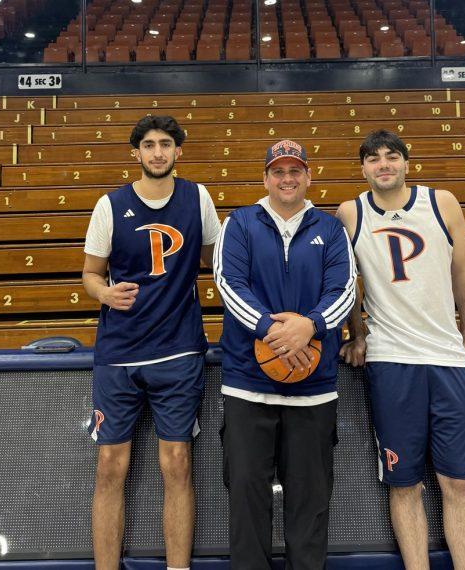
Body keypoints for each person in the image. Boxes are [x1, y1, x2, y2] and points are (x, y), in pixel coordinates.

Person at [337, 129, 465, 570]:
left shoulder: (441, 203)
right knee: (404, 484)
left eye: (391, 156)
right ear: (362, 168)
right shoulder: (350, 213)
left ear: (406, 162)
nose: (383, 165)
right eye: (374, 159)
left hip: (445, 358)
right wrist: (357, 335)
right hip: (390, 359)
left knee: (457, 482)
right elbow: (347, 285)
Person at [82, 115, 221, 570]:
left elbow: (216, 261)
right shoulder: (110, 205)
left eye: (165, 144)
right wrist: (104, 293)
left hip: (179, 349)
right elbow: (90, 273)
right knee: (110, 467)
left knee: (177, 462)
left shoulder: (197, 197)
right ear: (136, 152)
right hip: (119, 352)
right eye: (148, 144)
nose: (157, 152)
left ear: (179, 150)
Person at [213, 139, 356, 569]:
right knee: (247, 503)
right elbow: (227, 283)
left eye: (295, 171)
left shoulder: (330, 229)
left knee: (310, 506)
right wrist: (275, 333)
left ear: (308, 177)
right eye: (279, 171)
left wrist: (309, 326)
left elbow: (344, 291)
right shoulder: (238, 224)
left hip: (313, 391)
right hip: (248, 389)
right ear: (266, 178)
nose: (287, 178)